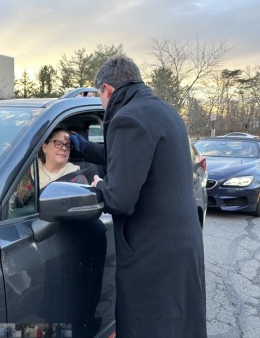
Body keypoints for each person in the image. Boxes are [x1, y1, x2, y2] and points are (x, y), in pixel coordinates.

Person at [71, 54, 207, 337]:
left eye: (99, 96)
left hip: (152, 252)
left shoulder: (127, 118)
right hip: (182, 243)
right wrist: (84, 149)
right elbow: (134, 157)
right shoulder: (164, 111)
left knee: (150, 326)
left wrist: (97, 185)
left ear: (107, 89)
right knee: (178, 325)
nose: (101, 104)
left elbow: (119, 199)